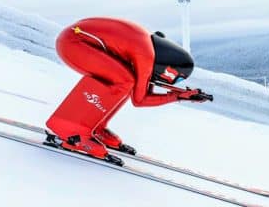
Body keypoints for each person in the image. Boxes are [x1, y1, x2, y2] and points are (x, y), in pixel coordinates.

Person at [46, 17, 212, 165]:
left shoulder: (147, 45)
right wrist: (177, 97)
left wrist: (179, 95)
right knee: (125, 80)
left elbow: (143, 85)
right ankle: (72, 131)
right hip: (75, 43)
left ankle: (95, 126)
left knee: (126, 80)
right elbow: (139, 100)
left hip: (74, 38)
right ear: (168, 70)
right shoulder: (146, 56)